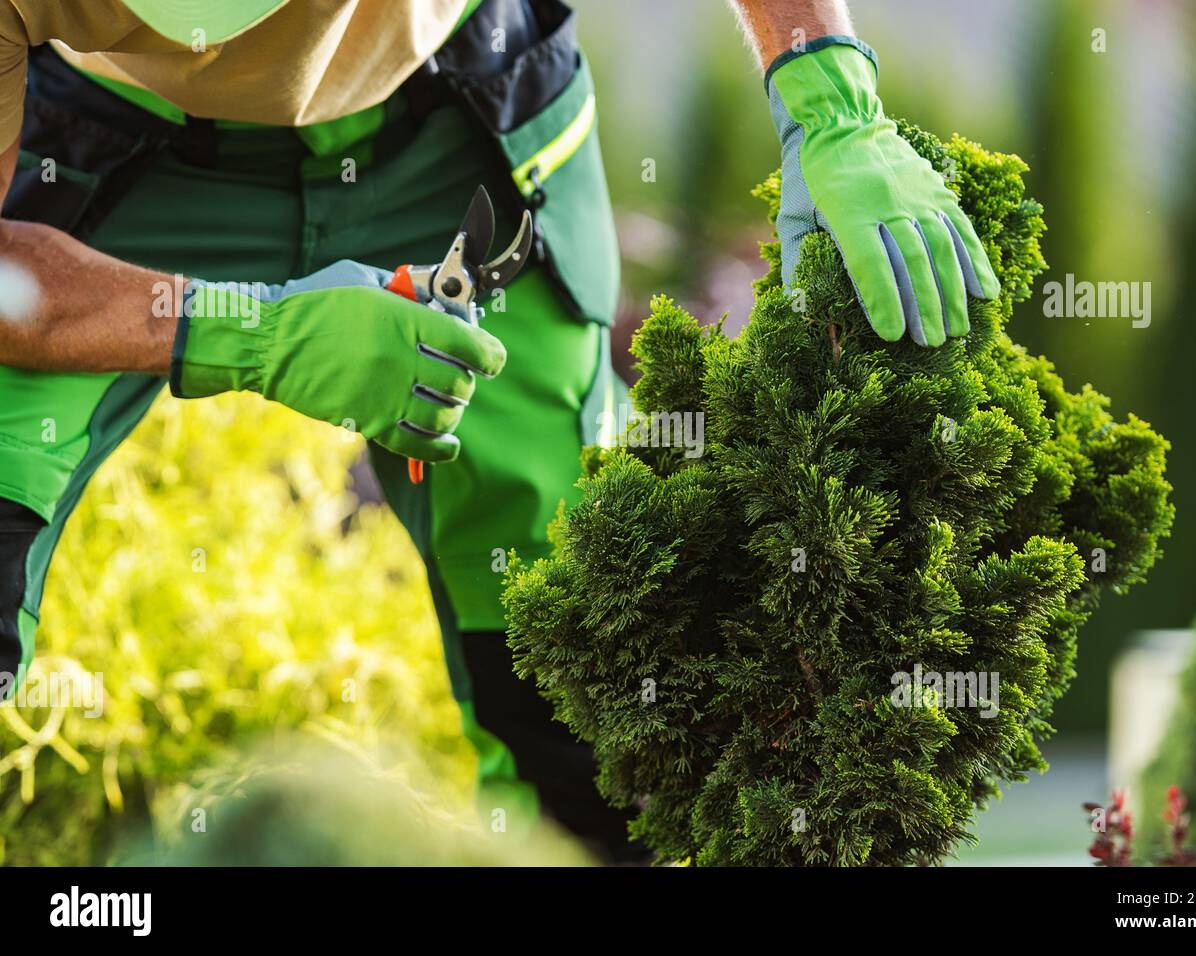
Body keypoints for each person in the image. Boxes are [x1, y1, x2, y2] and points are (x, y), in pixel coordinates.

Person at [0, 0, 997, 862]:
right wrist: (241, 329)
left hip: (457, 121)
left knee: (583, 671)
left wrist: (826, 94)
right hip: (105, 157)